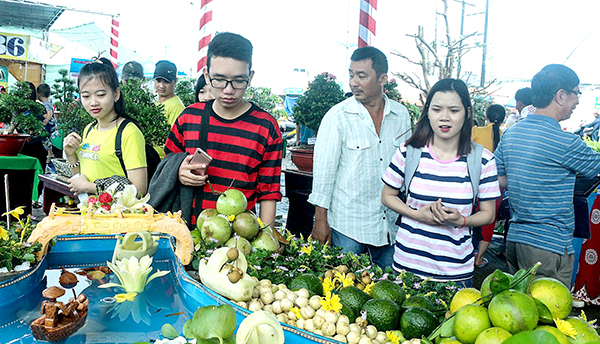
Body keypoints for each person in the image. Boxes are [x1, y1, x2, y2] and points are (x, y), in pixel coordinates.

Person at [148, 32, 283, 227]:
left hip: (238, 240)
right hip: (185, 230)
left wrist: (266, 241)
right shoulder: (188, 117)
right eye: (219, 79)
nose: (228, 90)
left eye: (238, 80)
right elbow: (166, 165)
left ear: (250, 77)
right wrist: (177, 172)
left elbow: (269, 192)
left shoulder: (266, 127)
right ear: (206, 75)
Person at [381, 79, 501, 284]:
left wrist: (461, 221)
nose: (444, 118)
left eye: (454, 110)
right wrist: (416, 214)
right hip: (406, 270)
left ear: (467, 112)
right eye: (437, 109)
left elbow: (488, 214)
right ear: (428, 112)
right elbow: (387, 195)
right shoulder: (409, 151)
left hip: (456, 275)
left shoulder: (483, 159)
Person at [495, 64, 600, 288]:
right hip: (548, 248)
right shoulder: (565, 142)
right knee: (549, 315)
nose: (578, 101)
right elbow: (595, 168)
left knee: (516, 312)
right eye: (576, 93)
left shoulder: (511, 133)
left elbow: (500, 179)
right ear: (560, 95)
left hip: (515, 240)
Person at [308, 47, 411, 269]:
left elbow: (408, 167)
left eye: (362, 76)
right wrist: (320, 221)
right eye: (351, 74)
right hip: (348, 227)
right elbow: (324, 176)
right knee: (342, 292)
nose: (353, 82)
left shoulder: (401, 115)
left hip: (389, 227)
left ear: (382, 78)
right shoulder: (337, 117)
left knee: (388, 295)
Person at [63, 58, 147, 196]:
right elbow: (80, 180)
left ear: (116, 94)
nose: (93, 102)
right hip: (90, 213)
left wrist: (91, 187)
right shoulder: (89, 129)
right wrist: (70, 154)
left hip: (116, 216)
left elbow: (139, 190)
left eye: (101, 95)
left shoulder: (129, 132)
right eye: (86, 96)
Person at [471, 104, 506, 268]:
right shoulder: (504, 136)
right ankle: (479, 258)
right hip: (496, 186)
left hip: (474, 183)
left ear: (486, 115)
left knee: (470, 217)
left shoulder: (477, 131)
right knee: (488, 221)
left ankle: (469, 254)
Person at [153, 60, 185, 127]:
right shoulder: (156, 103)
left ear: (175, 81)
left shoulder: (177, 107)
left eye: (166, 82)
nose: (161, 86)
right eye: (158, 81)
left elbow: (172, 136)